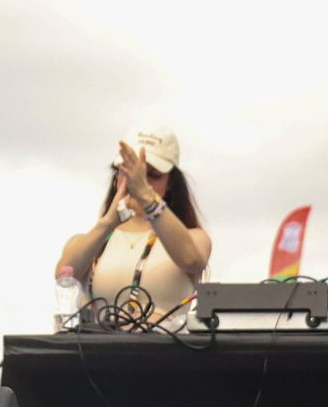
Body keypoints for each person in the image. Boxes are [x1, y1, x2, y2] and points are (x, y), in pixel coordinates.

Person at [57, 128, 212, 329]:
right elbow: (64, 276)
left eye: (152, 175)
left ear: (170, 182)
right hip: (102, 346)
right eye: (131, 172)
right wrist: (107, 223)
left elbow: (191, 260)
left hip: (164, 345)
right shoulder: (90, 240)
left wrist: (148, 199)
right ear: (117, 176)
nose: (139, 182)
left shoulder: (194, 238)